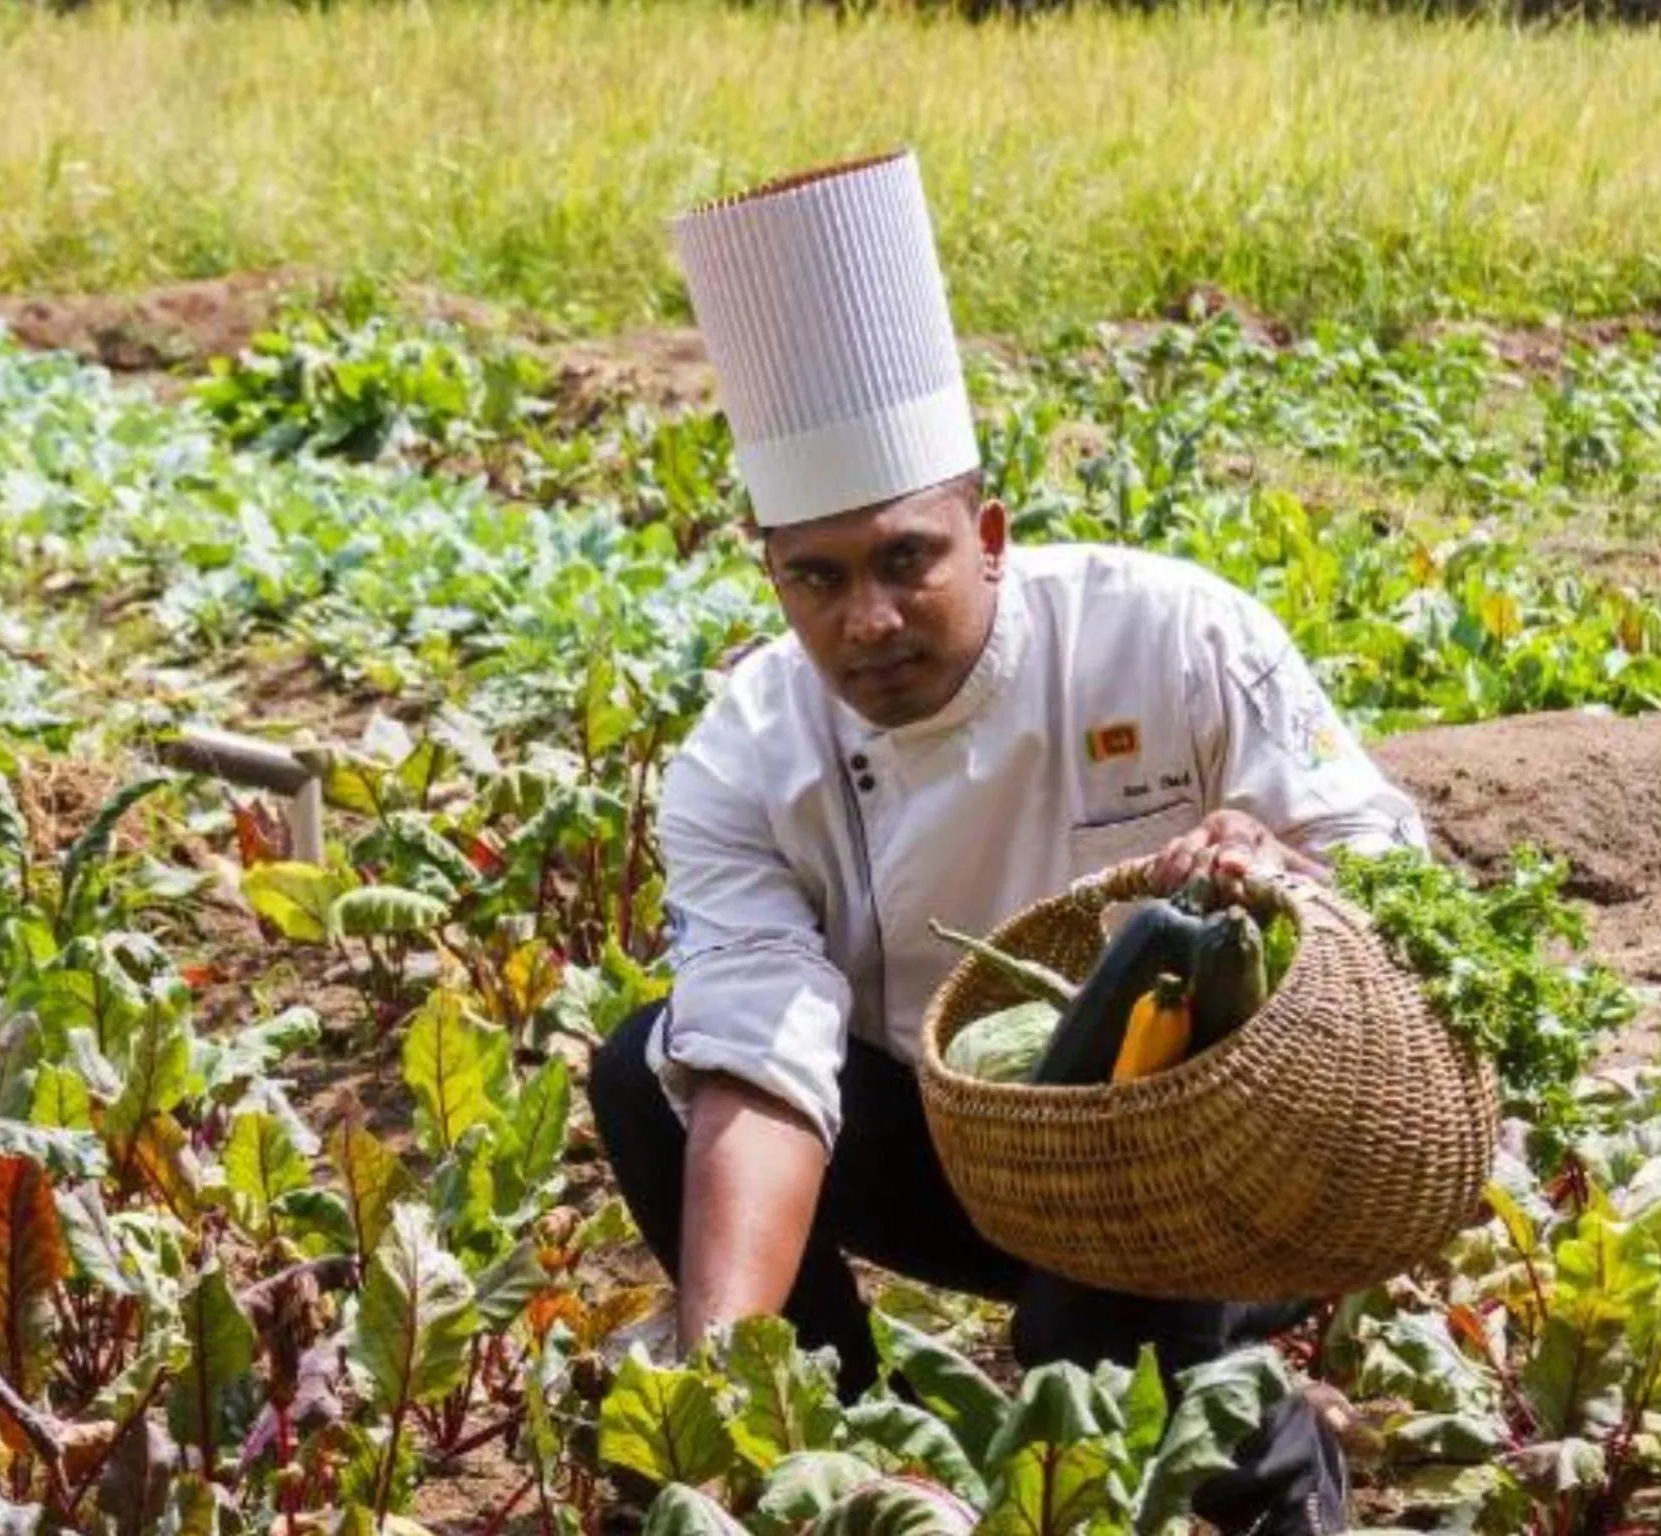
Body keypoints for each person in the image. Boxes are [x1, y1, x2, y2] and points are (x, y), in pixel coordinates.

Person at [585, 150, 1427, 1536]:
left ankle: (1283, 1477)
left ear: (987, 535)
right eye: (819, 575)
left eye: (906, 558)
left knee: (1081, 1359)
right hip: (959, 1148)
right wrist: (722, 1394)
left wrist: (1292, 885)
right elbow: (764, 1060)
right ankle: (823, 1460)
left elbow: (1390, 865)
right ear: (772, 575)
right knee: (650, 1069)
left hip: (1230, 1158)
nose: (866, 618)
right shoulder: (747, 753)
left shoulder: (1172, 635)